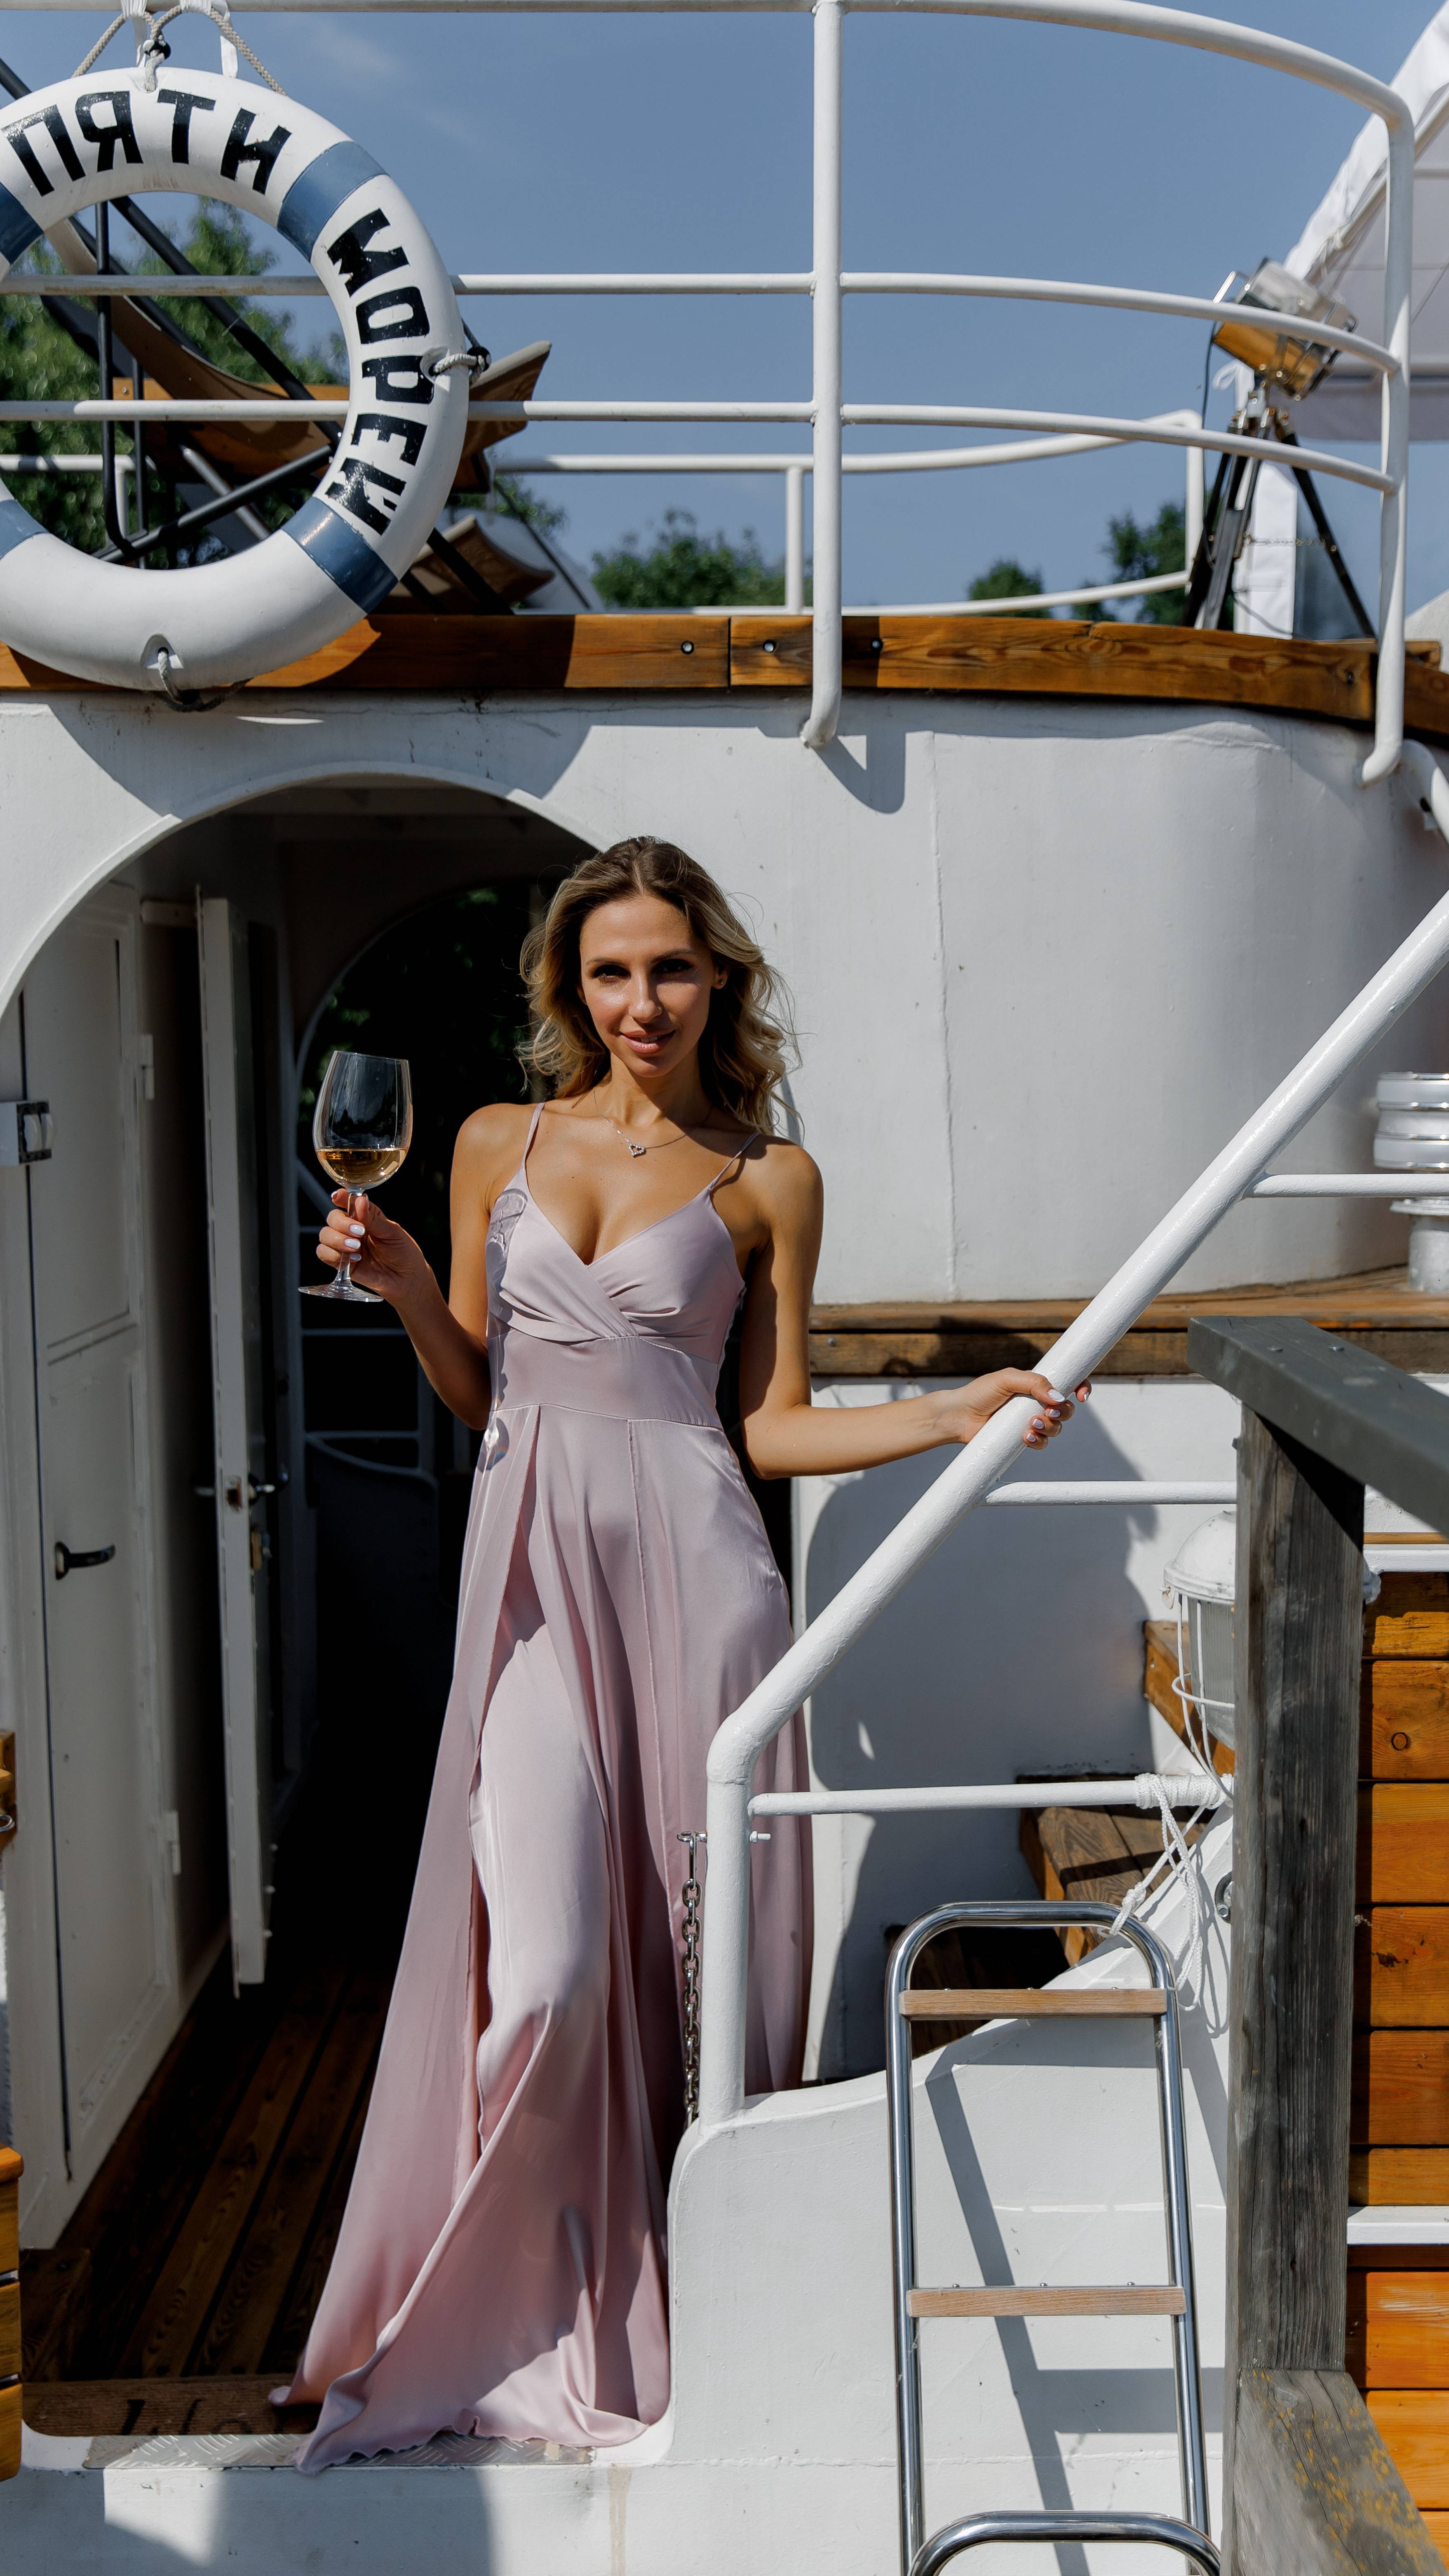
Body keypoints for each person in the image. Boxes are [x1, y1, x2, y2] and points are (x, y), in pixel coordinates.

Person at [283, 836, 1089, 2467]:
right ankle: (507, 2315)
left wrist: (946, 1415)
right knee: (546, 1974)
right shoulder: (495, 1139)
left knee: (689, 1971)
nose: (639, 1001)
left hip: (703, 1584)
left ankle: (691, 2286)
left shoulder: (769, 1176)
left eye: (667, 968)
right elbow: (483, 1395)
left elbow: (766, 1426)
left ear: (717, 977)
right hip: (530, 1583)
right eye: (609, 971)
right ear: (568, 987)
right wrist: (417, 1286)